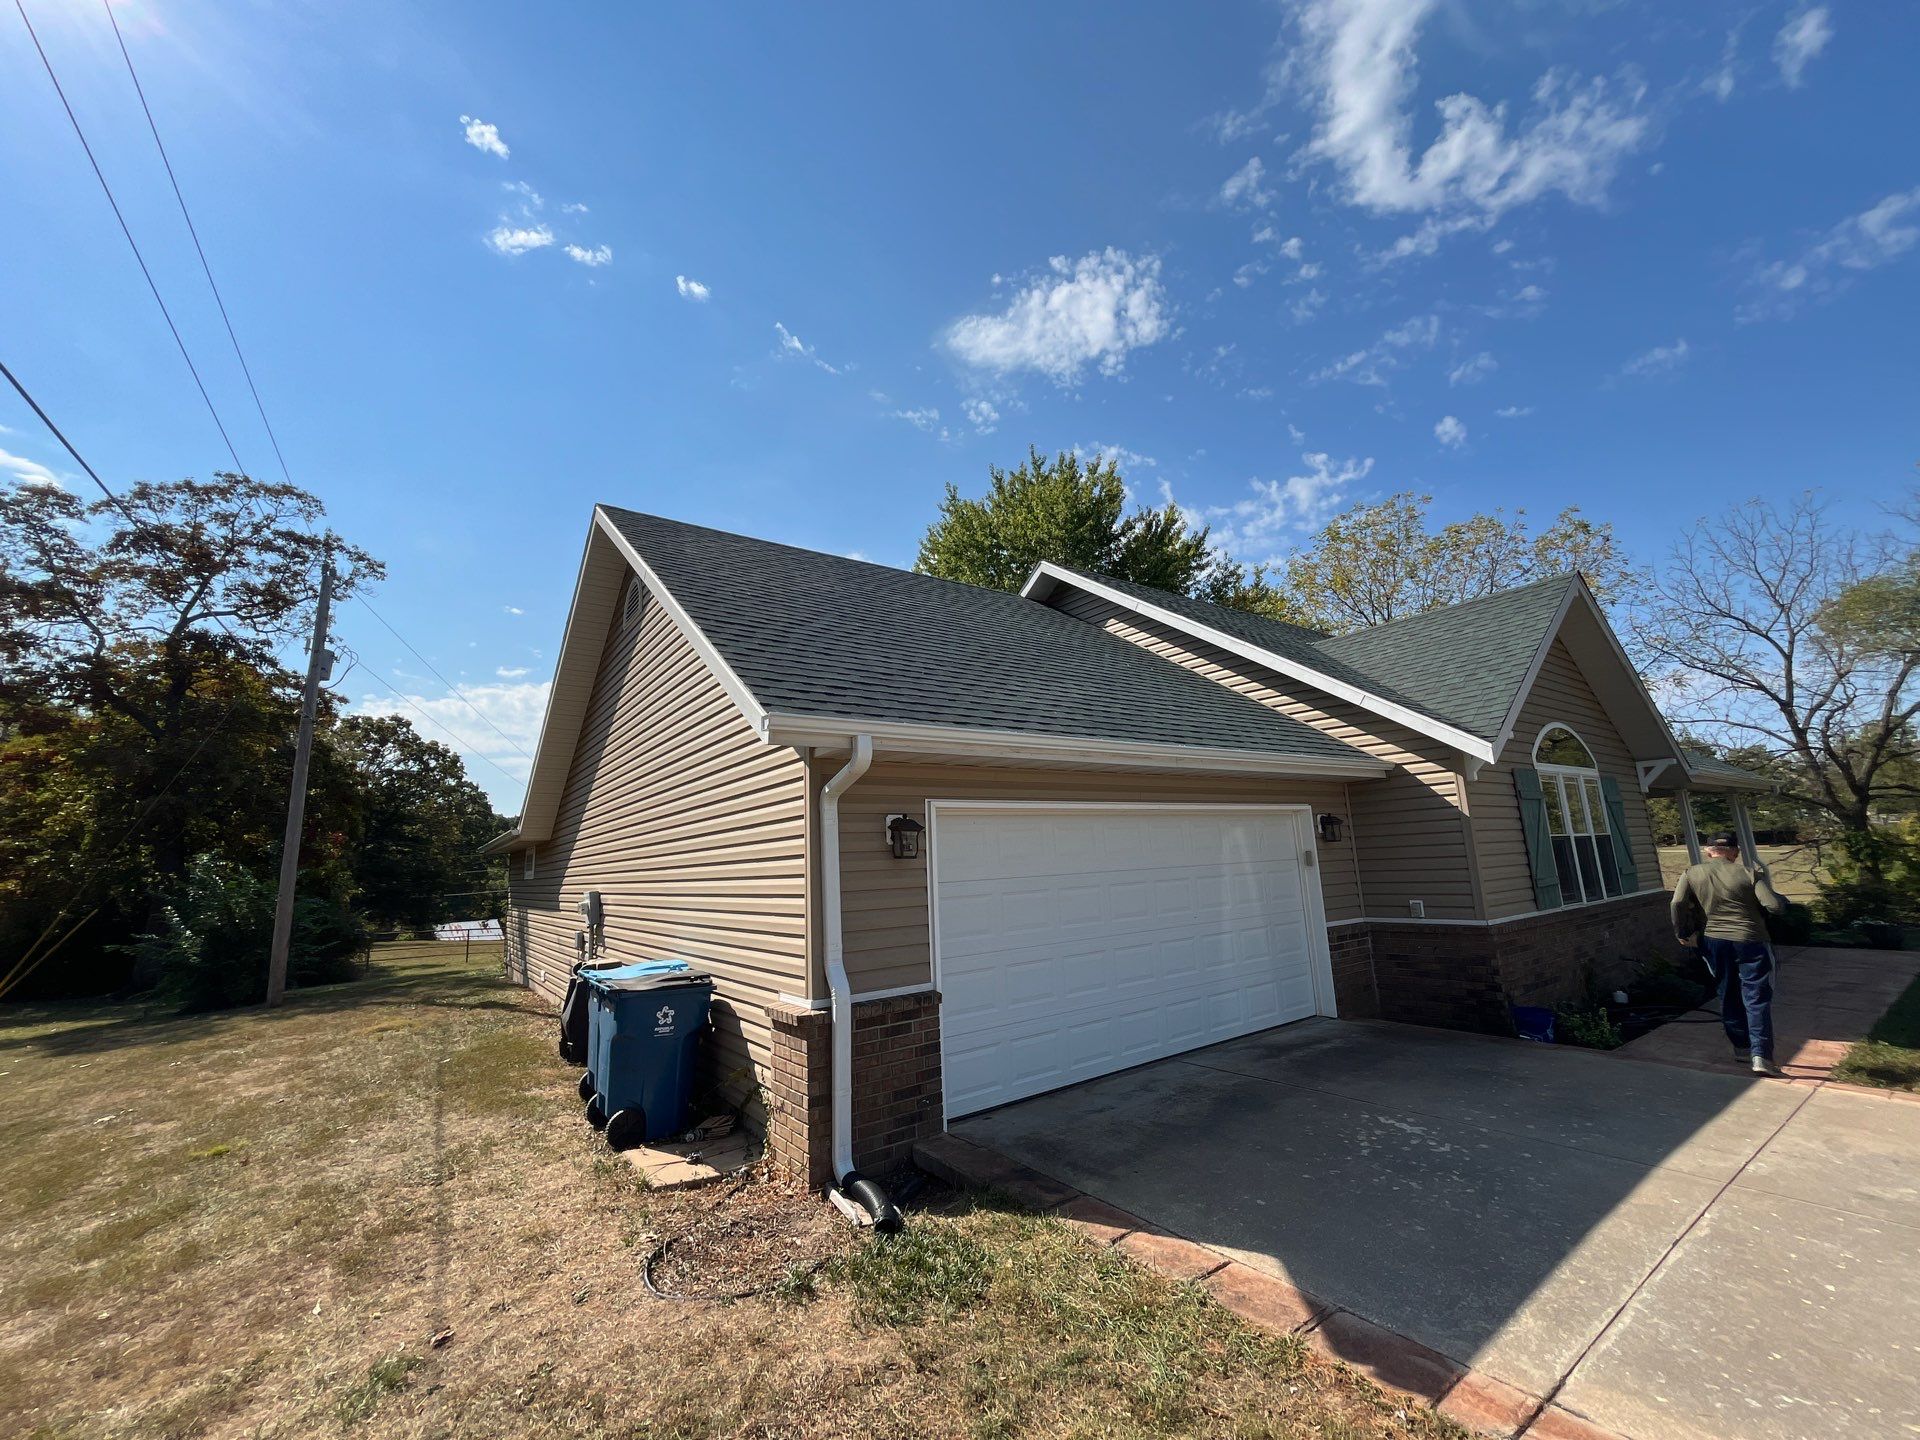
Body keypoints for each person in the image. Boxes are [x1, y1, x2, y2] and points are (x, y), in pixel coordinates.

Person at [1671, 831, 1788, 1075]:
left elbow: (1677, 903)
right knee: (1756, 997)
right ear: (1735, 852)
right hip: (1751, 940)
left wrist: (1682, 932)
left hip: (1715, 941)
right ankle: (1762, 1056)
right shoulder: (1749, 873)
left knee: (1728, 992)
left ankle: (1742, 1048)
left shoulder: (1691, 873)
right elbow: (1774, 907)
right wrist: (1781, 900)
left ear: (1708, 851)